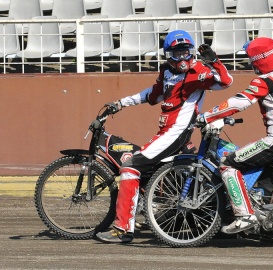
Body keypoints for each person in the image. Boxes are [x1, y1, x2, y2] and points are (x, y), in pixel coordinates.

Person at [96, 30, 233, 243]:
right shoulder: (166, 71)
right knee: (153, 173)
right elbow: (153, 94)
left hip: (176, 132)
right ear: (167, 54)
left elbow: (225, 82)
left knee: (130, 167)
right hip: (167, 132)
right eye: (176, 54)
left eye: (186, 52)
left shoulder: (198, 70)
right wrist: (121, 103)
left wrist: (214, 61)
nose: (182, 58)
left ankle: (122, 229)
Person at [196, 36, 273, 234]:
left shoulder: (266, 81)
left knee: (228, 164)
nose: (252, 65)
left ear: (261, 61)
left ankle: (245, 215)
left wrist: (207, 116)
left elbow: (239, 102)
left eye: (253, 60)